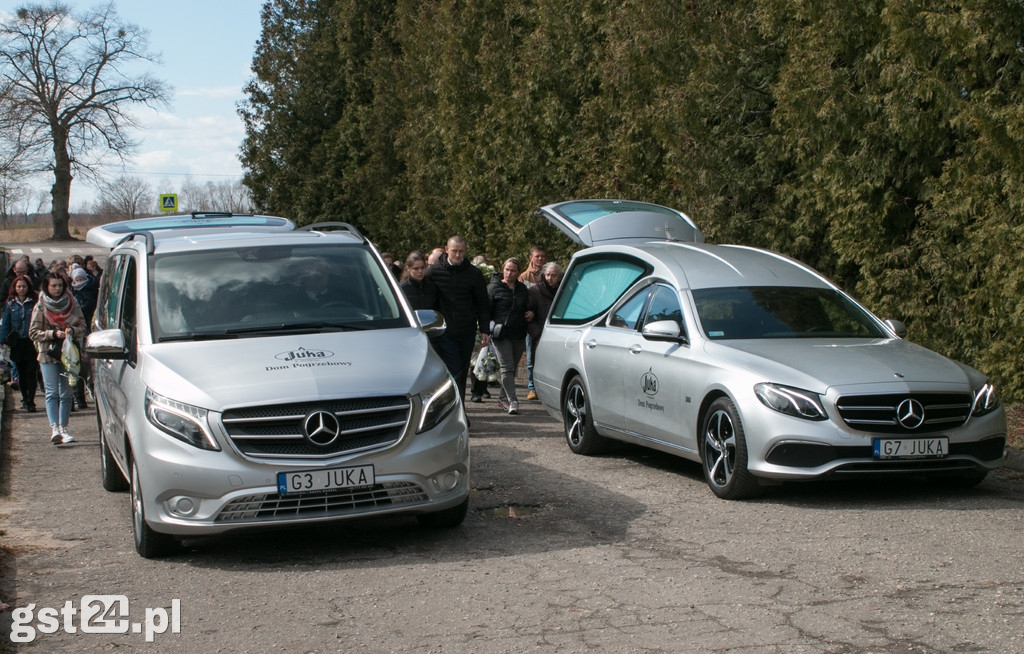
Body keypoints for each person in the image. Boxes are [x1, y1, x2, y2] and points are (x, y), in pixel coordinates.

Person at [426, 236, 490, 400]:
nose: (458, 255)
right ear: (447, 249)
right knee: (454, 371)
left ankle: (459, 409)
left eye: (461, 251)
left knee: (461, 371)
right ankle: (456, 410)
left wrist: (484, 330)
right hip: (444, 331)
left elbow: (482, 303)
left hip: (466, 330)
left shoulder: (474, 274)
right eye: (454, 251)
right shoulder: (433, 272)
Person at [30, 272, 86, 445]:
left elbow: (82, 326)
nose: (57, 289)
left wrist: (72, 331)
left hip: (68, 354)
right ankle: (54, 427)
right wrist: (53, 333)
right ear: (47, 287)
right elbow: (33, 332)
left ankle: (64, 427)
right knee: (52, 391)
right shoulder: (41, 306)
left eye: (60, 285)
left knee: (67, 391)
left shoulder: (72, 302)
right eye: (53, 285)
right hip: (48, 353)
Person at [487, 257, 536, 415]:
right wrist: (485, 331)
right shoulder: (494, 288)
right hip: (501, 334)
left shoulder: (522, 289)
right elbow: (486, 311)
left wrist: (531, 312)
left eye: (513, 270)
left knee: (511, 369)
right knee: (507, 368)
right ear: (503, 269)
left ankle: (502, 398)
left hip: (519, 333)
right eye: (507, 269)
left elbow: (529, 305)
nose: (509, 273)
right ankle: (513, 401)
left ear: (518, 272)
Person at [0, 274, 39, 412]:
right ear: (15, 288)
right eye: (19, 286)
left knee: (31, 372)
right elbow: (6, 323)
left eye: (24, 286)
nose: (22, 289)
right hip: (17, 342)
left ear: (28, 287)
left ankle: (31, 399)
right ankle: (24, 398)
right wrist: (2, 340)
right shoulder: (10, 304)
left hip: (31, 341)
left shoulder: (35, 302)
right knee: (21, 373)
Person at [526, 261, 563, 400]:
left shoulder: (565, 291)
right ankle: (533, 388)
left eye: (553, 275)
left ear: (559, 277)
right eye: (547, 275)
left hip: (558, 334)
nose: (550, 278)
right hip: (538, 333)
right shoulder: (534, 291)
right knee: (532, 361)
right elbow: (528, 316)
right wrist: (537, 335)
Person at [518, 245, 547, 400]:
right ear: (531, 258)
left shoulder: (550, 274)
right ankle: (532, 387)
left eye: (542, 256)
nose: (540, 259)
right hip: (531, 323)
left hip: (546, 321)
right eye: (537, 256)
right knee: (531, 357)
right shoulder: (524, 277)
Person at [70, 266, 99, 409]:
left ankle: (91, 390)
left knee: (89, 365)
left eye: (81, 279)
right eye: (77, 279)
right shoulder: (71, 295)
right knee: (77, 366)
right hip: (76, 333)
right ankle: (78, 398)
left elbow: (91, 306)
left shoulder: (91, 291)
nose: (79, 282)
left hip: (88, 330)